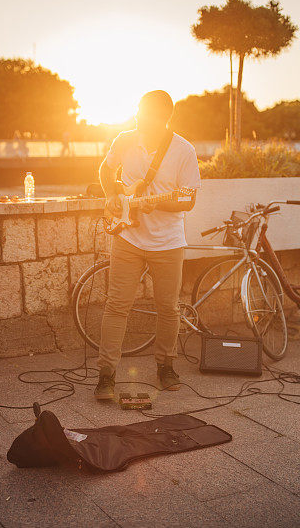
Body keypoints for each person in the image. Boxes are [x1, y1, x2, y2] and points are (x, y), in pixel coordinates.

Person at [94, 90, 201, 400]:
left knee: (168, 308)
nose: (139, 117)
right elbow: (105, 168)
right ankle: (106, 374)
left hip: (168, 242)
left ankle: (166, 367)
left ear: (163, 118)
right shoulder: (125, 139)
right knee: (117, 305)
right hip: (128, 237)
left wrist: (159, 206)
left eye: (145, 114)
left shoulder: (183, 151)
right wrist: (113, 192)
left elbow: (189, 199)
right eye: (138, 111)